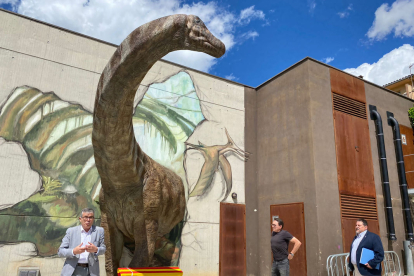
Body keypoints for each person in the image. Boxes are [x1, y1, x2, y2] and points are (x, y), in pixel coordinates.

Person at [58, 208, 106, 276]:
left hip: (91, 270)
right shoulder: (71, 231)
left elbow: (103, 249)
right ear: (80, 219)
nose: (88, 220)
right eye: (86, 217)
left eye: (90, 217)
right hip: (73, 269)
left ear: (93, 219)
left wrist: (96, 250)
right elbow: (60, 251)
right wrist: (74, 251)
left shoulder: (99, 231)